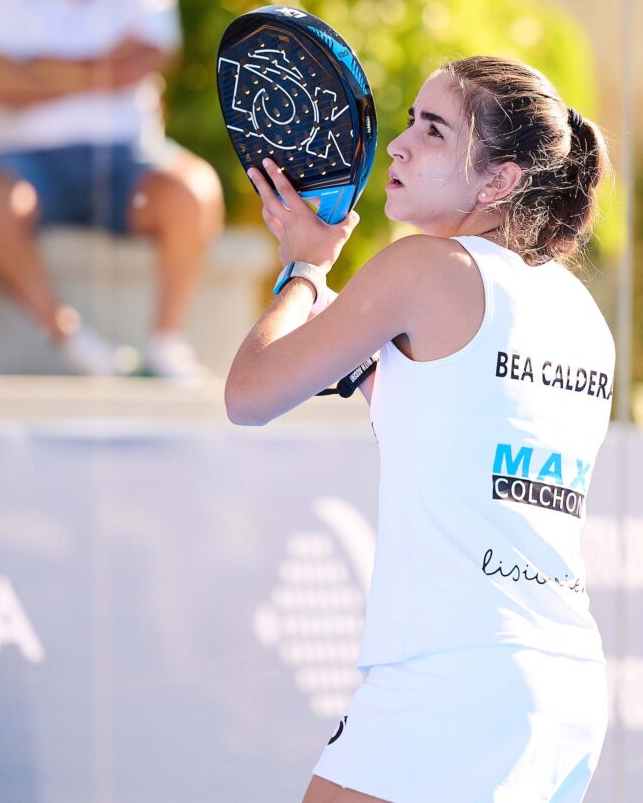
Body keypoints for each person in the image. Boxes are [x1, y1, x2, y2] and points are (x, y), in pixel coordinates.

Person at [225, 56, 615, 803]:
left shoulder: (425, 268)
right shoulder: (578, 312)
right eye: (410, 121)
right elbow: (411, 401)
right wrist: (320, 285)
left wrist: (305, 269)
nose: (399, 146)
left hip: (453, 677)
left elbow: (249, 394)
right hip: (563, 690)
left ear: (497, 181)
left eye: (433, 130)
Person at [0, 0, 223, 378]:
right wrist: (99, 69)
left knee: (194, 190)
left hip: (129, 161)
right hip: (25, 167)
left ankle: (166, 345)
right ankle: (73, 340)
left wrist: (34, 70)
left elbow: (141, 66)